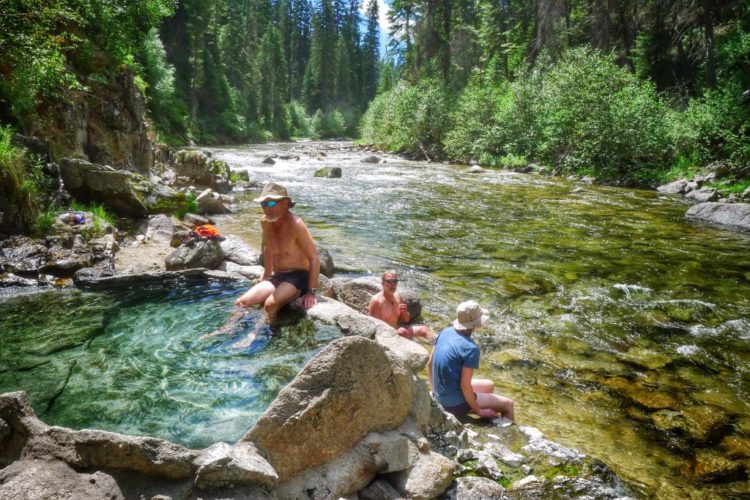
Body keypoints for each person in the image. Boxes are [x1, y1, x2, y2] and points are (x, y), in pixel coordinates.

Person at [235, 182, 320, 321]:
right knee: (241, 303)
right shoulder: (265, 222)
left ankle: (258, 336)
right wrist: (266, 275)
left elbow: (314, 259)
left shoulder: (296, 224)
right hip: (278, 275)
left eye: (271, 204)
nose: (266, 209)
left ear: (285, 203)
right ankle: (225, 332)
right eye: (263, 204)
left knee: (269, 305)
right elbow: (268, 248)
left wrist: (311, 293)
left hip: (298, 277)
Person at [428, 300, 514, 421]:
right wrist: (479, 410)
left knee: (489, 385)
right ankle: (506, 432)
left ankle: (491, 419)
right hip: (454, 405)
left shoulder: (445, 332)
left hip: (440, 395)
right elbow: (465, 386)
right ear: (475, 324)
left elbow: (430, 363)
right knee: (508, 404)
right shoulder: (470, 348)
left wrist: (434, 392)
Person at [368, 270, 435, 342]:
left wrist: (405, 312)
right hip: (386, 335)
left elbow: (405, 320)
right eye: (389, 281)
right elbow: (373, 328)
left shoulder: (397, 296)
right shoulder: (376, 301)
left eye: (395, 281)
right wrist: (396, 333)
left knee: (424, 329)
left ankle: (440, 347)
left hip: (399, 330)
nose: (392, 284)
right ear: (383, 283)